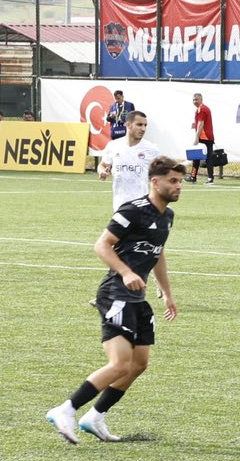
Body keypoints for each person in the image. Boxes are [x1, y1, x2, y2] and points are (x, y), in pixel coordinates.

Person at [48, 156, 184, 444]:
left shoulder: (167, 217)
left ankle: (95, 416)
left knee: (139, 363)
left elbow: (157, 253)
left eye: (180, 182)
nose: (178, 187)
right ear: (155, 182)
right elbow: (101, 245)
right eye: (173, 181)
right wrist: (125, 272)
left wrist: (167, 292)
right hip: (115, 293)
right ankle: (66, 410)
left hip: (138, 298)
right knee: (121, 363)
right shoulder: (133, 210)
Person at [98, 109, 162, 209]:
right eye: (139, 125)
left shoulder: (151, 149)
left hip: (141, 205)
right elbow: (103, 165)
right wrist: (102, 171)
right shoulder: (113, 146)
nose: (143, 129)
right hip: (119, 205)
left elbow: (162, 172)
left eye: (145, 125)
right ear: (128, 125)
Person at [191, 92, 218, 183]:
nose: (195, 101)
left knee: (204, 157)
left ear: (201, 100)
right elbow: (200, 123)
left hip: (205, 137)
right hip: (207, 136)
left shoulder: (202, 109)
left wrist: (196, 138)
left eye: (196, 99)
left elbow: (201, 124)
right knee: (202, 157)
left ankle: (196, 177)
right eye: (193, 100)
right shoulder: (200, 109)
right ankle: (198, 177)